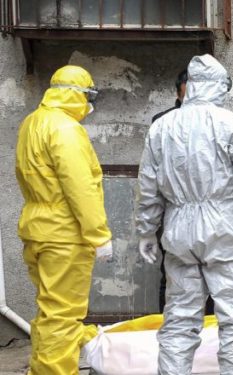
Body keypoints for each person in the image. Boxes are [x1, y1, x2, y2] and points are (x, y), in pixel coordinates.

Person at [135, 54, 233, 374]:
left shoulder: (162, 127)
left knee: (179, 318)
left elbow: (149, 185)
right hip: (227, 229)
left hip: (179, 228)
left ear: (190, 86)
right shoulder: (232, 124)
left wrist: (145, 229)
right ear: (220, 86)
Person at [15, 65, 112, 374]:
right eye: (88, 96)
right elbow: (79, 185)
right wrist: (99, 234)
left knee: (49, 312)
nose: (89, 105)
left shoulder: (32, 123)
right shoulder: (66, 129)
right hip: (64, 234)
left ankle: (39, 370)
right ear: (76, 95)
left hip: (37, 227)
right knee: (63, 316)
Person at [149, 68, 215, 314]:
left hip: (212, 212)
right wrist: (148, 224)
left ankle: (210, 334)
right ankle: (170, 335)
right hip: (173, 211)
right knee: (173, 275)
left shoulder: (218, 121)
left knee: (213, 274)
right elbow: (151, 175)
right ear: (178, 94)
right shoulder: (162, 123)